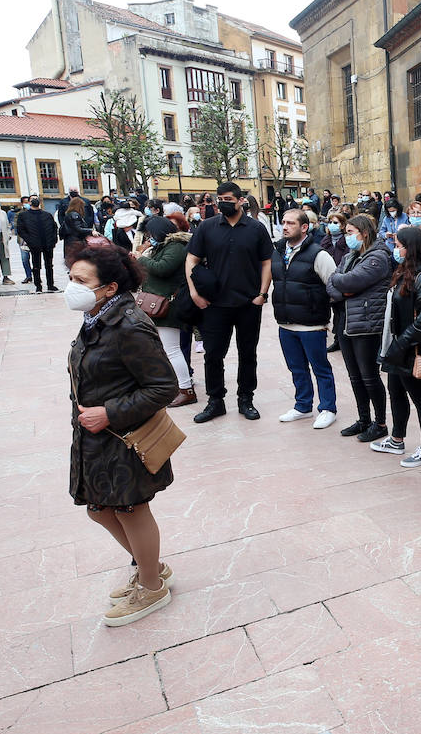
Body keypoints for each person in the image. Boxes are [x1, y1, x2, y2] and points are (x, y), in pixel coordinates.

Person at [66, 242, 180, 626]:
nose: (72, 287)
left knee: (130, 509)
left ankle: (151, 588)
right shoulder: (97, 317)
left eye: (82, 280)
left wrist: (109, 412)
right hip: (97, 438)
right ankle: (153, 568)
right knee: (100, 510)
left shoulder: (129, 324)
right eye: (71, 278)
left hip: (124, 437)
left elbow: (164, 387)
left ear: (109, 287)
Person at [185, 182, 275, 424]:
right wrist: (194, 292)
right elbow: (191, 259)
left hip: (248, 303)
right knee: (213, 354)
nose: (222, 202)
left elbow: (267, 262)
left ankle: (246, 398)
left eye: (227, 198)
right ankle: (216, 401)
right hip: (215, 304)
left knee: (248, 353)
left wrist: (262, 294)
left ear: (240, 200)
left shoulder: (256, 228)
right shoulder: (207, 227)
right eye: (219, 198)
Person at [372, 226, 421, 467]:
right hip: (399, 347)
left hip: (413, 348)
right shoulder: (405, 271)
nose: (396, 249)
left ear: (411, 248)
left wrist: (403, 342)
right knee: (396, 392)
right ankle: (396, 439)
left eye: (399, 246)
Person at [271, 209, 340, 430]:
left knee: (320, 368)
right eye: (283, 222)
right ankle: (302, 406)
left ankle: (328, 408)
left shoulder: (318, 254)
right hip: (285, 322)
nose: (285, 226)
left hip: (311, 324)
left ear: (304, 227)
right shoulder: (279, 251)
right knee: (296, 367)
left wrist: (326, 315)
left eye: (290, 223)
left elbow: (334, 286)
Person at [327, 213, 393, 442]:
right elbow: (332, 281)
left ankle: (380, 422)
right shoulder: (350, 256)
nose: (347, 238)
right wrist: (343, 289)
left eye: (350, 233)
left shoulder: (378, 257)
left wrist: (344, 285)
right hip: (346, 321)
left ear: (364, 233)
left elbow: (349, 281)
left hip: (367, 323)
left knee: (369, 376)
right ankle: (363, 418)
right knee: (354, 376)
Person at [135, 216, 197, 407]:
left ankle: (187, 390)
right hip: (158, 304)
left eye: (150, 234)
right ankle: (176, 386)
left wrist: (142, 259)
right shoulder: (165, 246)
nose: (148, 238)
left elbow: (162, 268)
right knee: (166, 349)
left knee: (172, 350)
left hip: (168, 307)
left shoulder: (176, 246)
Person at [16, 196, 59, 293]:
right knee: (36, 265)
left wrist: (53, 240)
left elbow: (54, 228)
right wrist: (30, 241)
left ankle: (50, 284)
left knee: (49, 265)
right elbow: (21, 230)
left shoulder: (47, 215)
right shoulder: (23, 215)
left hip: (47, 244)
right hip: (34, 244)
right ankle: (38, 285)